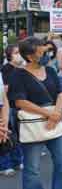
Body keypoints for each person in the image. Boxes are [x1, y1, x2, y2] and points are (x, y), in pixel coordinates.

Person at [10, 37, 62, 189]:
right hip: (35, 124)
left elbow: (60, 93)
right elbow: (20, 101)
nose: (46, 54)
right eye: (41, 52)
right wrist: (49, 114)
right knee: (32, 168)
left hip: (54, 121)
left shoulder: (50, 70)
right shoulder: (19, 74)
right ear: (30, 56)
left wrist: (56, 113)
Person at [0, 45, 24, 176]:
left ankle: (16, 160)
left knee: (14, 135)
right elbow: (4, 91)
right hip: (8, 106)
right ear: (9, 55)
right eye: (16, 53)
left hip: (14, 106)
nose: (19, 55)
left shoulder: (20, 69)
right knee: (6, 135)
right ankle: (5, 164)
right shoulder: (6, 70)